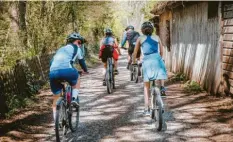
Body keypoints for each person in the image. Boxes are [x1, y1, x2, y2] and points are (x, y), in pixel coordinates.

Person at [132, 21, 167, 115]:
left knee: (146, 86)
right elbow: (162, 50)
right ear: (152, 29)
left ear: (142, 30)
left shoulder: (140, 38)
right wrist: (161, 58)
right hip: (157, 58)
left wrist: (134, 62)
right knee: (160, 74)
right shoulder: (157, 37)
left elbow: (135, 53)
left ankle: (146, 109)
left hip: (147, 61)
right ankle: (162, 88)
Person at [49, 32, 85, 121]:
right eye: (79, 42)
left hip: (52, 72)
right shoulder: (77, 48)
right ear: (75, 42)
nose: (80, 45)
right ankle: (73, 99)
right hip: (67, 71)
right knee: (77, 77)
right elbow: (81, 61)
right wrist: (85, 70)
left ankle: (56, 121)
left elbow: (52, 63)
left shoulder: (60, 49)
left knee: (56, 97)